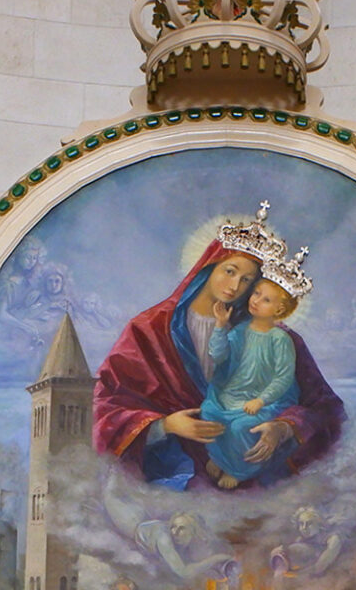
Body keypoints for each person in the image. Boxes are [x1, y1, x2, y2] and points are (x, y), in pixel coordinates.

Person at [91, 203, 343, 489]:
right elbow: (106, 405)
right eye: (229, 271)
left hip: (253, 471)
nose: (234, 286)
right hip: (171, 473)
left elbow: (324, 407)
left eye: (247, 281)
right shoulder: (147, 330)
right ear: (208, 266)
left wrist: (283, 428)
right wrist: (165, 426)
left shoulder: (277, 336)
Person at [201, 264, 307, 489]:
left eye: (266, 300)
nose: (256, 300)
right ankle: (221, 458)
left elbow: (283, 378)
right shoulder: (240, 330)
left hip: (266, 399)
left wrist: (261, 400)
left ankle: (238, 470)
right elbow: (218, 356)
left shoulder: (280, 339)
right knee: (209, 412)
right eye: (256, 293)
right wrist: (220, 325)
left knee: (241, 427)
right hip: (233, 392)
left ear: (279, 309)